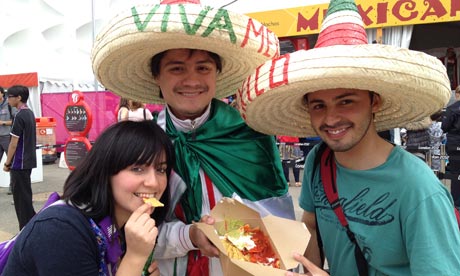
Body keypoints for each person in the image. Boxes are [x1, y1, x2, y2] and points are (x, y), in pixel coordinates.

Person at [237, 0, 460, 275]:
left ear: (374, 101)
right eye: (319, 105)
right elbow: (311, 225)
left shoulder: (418, 190)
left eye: (346, 101)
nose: (330, 119)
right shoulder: (320, 161)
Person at [91, 1, 295, 275]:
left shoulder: (251, 136)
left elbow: (277, 226)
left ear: (217, 73)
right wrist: (189, 235)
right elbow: (129, 229)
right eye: (177, 68)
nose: (191, 80)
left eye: (203, 68)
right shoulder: (145, 145)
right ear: (156, 76)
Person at [3, 120, 175, 275]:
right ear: (106, 171)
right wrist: (135, 258)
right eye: (138, 168)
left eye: (161, 169)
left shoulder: (120, 227)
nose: (153, 183)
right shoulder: (62, 231)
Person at [3, 85, 37, 230]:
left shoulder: (19, 116)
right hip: (28, 161)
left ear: (19, 98)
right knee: (26, 197)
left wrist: (7, 162)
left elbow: (13, 144)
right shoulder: (29, 113)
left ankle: (25, 229)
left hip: (19, 162)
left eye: (10, 96)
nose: (7, 99)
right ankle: (31, 226)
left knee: (21, 201)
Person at [0, 86, 15, 195]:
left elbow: (15, 120)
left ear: (1, 93)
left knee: (11, 162)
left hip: (6, 137)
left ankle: (12, 186)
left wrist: (3, 123)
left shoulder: (9, 105)